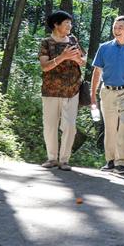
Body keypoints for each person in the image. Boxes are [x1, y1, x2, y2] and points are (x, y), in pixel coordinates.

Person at [91, 15, 124, 175]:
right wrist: (92, 95)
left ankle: (122, 163)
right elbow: (97, 71)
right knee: (109, 128)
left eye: (120, 27)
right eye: (115, 27)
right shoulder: (104, 48)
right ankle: (110, 161)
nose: (117, 30)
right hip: (107, 92)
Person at [38, 10, 86, 171]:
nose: (69, 26)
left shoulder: (73, 40)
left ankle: (64, 160)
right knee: (50, 125)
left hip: (72, 90)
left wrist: (77, 58)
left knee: (70, 126)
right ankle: (52, 159)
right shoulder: (46, 42)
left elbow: (83, 61)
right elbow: (45, 67)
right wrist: (63, 57)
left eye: (70, 23)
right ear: (56, 25)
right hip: (51, 90)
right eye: (66, 23)